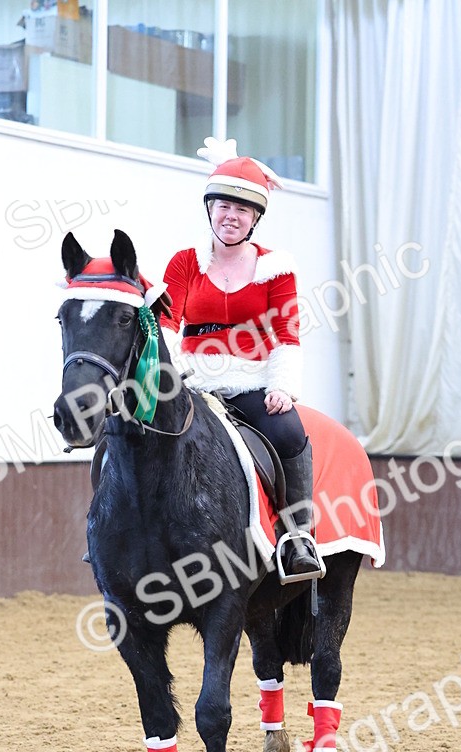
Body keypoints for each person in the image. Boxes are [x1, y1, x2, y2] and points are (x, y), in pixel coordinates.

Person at [161, 137, 322, 582]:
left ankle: (297, 537)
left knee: (289, 432)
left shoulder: (278, 266)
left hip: (252, 383)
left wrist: (281, 388)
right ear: (209, 209)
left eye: (242, 211)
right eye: (224, 208)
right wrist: (171, 378)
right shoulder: (184, 262)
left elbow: (287, 333)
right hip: (194, 381)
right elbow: (168, 324)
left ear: (255, 219)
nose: (231, 217)